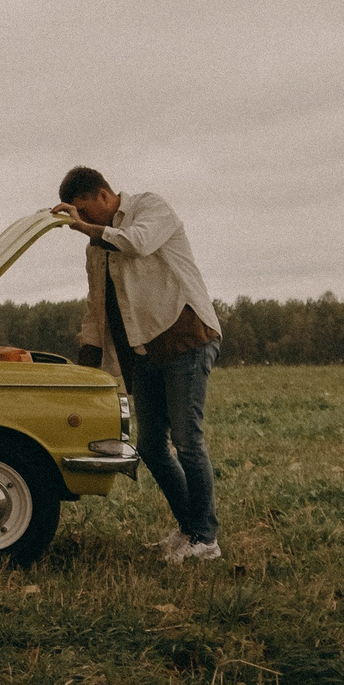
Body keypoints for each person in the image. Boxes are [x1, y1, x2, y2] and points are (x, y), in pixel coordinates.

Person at [53, 167, 224, 563]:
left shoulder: (150, 208)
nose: (81, 219)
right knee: (149, 446)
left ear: (102, 195)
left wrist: (86, 228)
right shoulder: (96, 247)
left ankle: (206, 540)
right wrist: (84, 369)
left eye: (83, 210)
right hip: (144, 349)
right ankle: (190, 530)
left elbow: (138, 243)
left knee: (187, 440)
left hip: (186, 337)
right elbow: (96, 309)